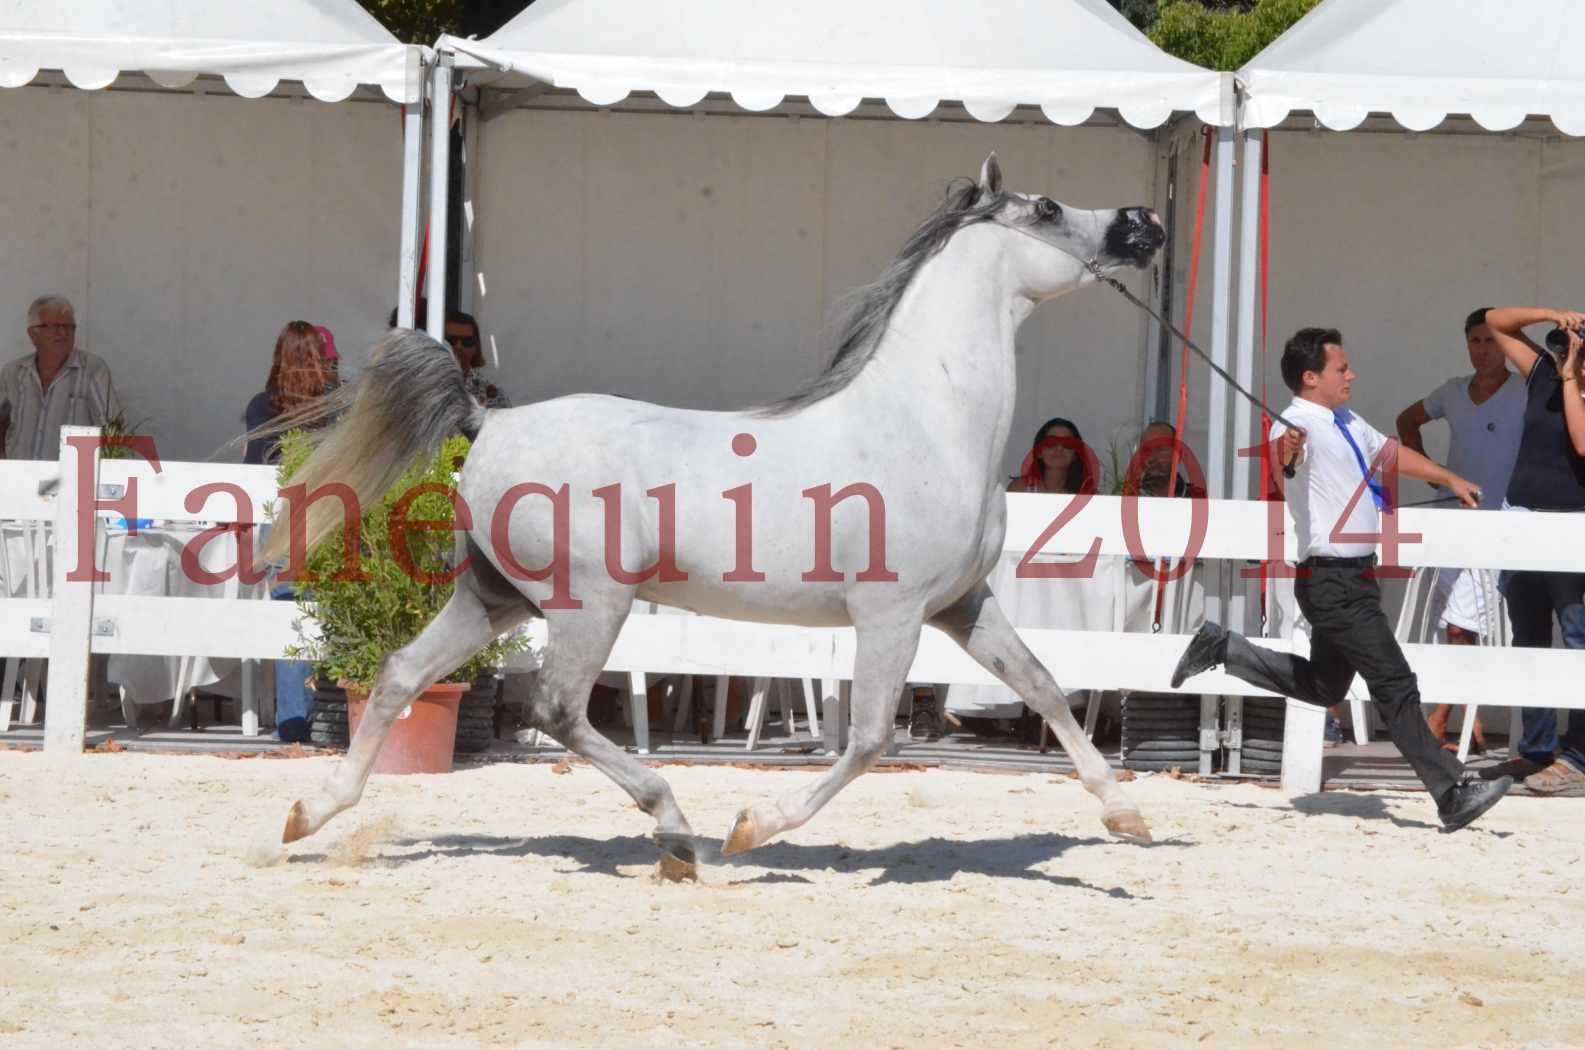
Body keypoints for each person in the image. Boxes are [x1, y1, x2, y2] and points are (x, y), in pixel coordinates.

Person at [1169, 326, 1511, 832]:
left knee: (1326, 683)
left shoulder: (1345, 418)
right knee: (1394, 681)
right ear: (1311, 378)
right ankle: (1450, 790)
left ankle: (1224, 649)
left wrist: (1449, 477)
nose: (1352, 375)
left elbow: (1389, 453)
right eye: (1341, 368)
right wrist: (1290, 448)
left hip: (1349, 580)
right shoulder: (1293, 426)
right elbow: (1285, 462)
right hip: (1334, 583)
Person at [1395, 308, 1526, 751]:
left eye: (1491, 341)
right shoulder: (1451, 392)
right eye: (1476, 341)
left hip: (1503, 520)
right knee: (1449, 621)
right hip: (1452, 516)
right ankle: (1468, 721)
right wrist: (1434, 473)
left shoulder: (1526, 390)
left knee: (1465, 624)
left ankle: (1444, 716)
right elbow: (1405, 421)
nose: (1483, 350)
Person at [1479, 306, 1585, 796]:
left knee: (1577, 640)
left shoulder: (1566, 382)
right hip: (1522, 521)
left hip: (1571, 530)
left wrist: (1570, 380)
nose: (1567, 351)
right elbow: (1495, 320)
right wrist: (1550, 312)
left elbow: (1582, 443)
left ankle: (1579, 758)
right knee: (1529, 640)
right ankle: (1539, 749)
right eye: (1565, 343)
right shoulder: (1543, 370)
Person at [0, 294, 123, 460]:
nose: (63, 333)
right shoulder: (13, 372)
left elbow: (113, 431)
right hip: (19, 478)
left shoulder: (92, 370)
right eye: (54, 326)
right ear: (33, 335)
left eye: (69, 327)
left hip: (71, 479)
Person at [243, 321, 338, 465]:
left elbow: (252, 463)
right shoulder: (334, 403)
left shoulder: (261, 404)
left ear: (279, 356)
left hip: (273, 483)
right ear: (320, 359)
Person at [1007, 416, 1092, 494]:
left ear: (1075, 454)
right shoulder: (1019, 489)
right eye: (1051, 442)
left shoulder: (1087, 493)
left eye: (1067, 443)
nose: (1059, 448)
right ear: (1039, 452)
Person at [443, 310, 511, 409]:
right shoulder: (426, 384)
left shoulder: (492, 395)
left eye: (467, 341)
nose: (459, 346)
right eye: (451, 340)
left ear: (476, 347)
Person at [1125, 420, 1207, 499]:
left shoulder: (1198, 499)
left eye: (1161, 449)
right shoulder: (1126, 498)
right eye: (1146, 450)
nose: (1152, 457)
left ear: (1178, 455)